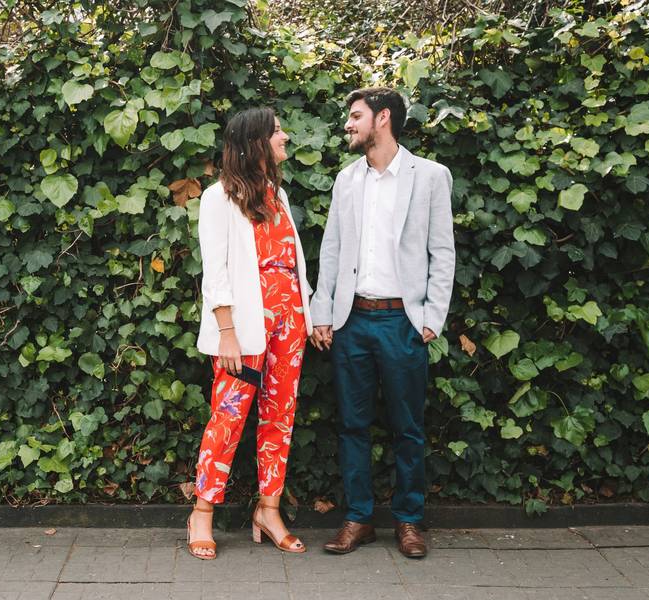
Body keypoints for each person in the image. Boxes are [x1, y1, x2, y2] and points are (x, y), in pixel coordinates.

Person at [309, 87, 455, 559]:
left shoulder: (430, 176)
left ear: (383, 118)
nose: (348, 125)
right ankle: (358, 518)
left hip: (402, 322)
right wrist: (323, 312)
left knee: (407, 427)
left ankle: (409, 522)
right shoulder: (346, 180)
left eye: (355, 116)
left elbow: (442, 251)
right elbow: (331, 251)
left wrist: (431, 316)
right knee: (353, 425)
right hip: (352, 322)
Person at [187, 107, 314, 560]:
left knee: (280, 417)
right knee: (229, 415)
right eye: (277, 131)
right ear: (255, 142)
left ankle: (269, 509)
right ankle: (202, 512)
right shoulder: (218, 198)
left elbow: (293, 267)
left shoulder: (277, 196)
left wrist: (310, 317)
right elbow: (215, 271)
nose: (285, 136)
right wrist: (226, 332)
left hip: (290, 324)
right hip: (243, 328)